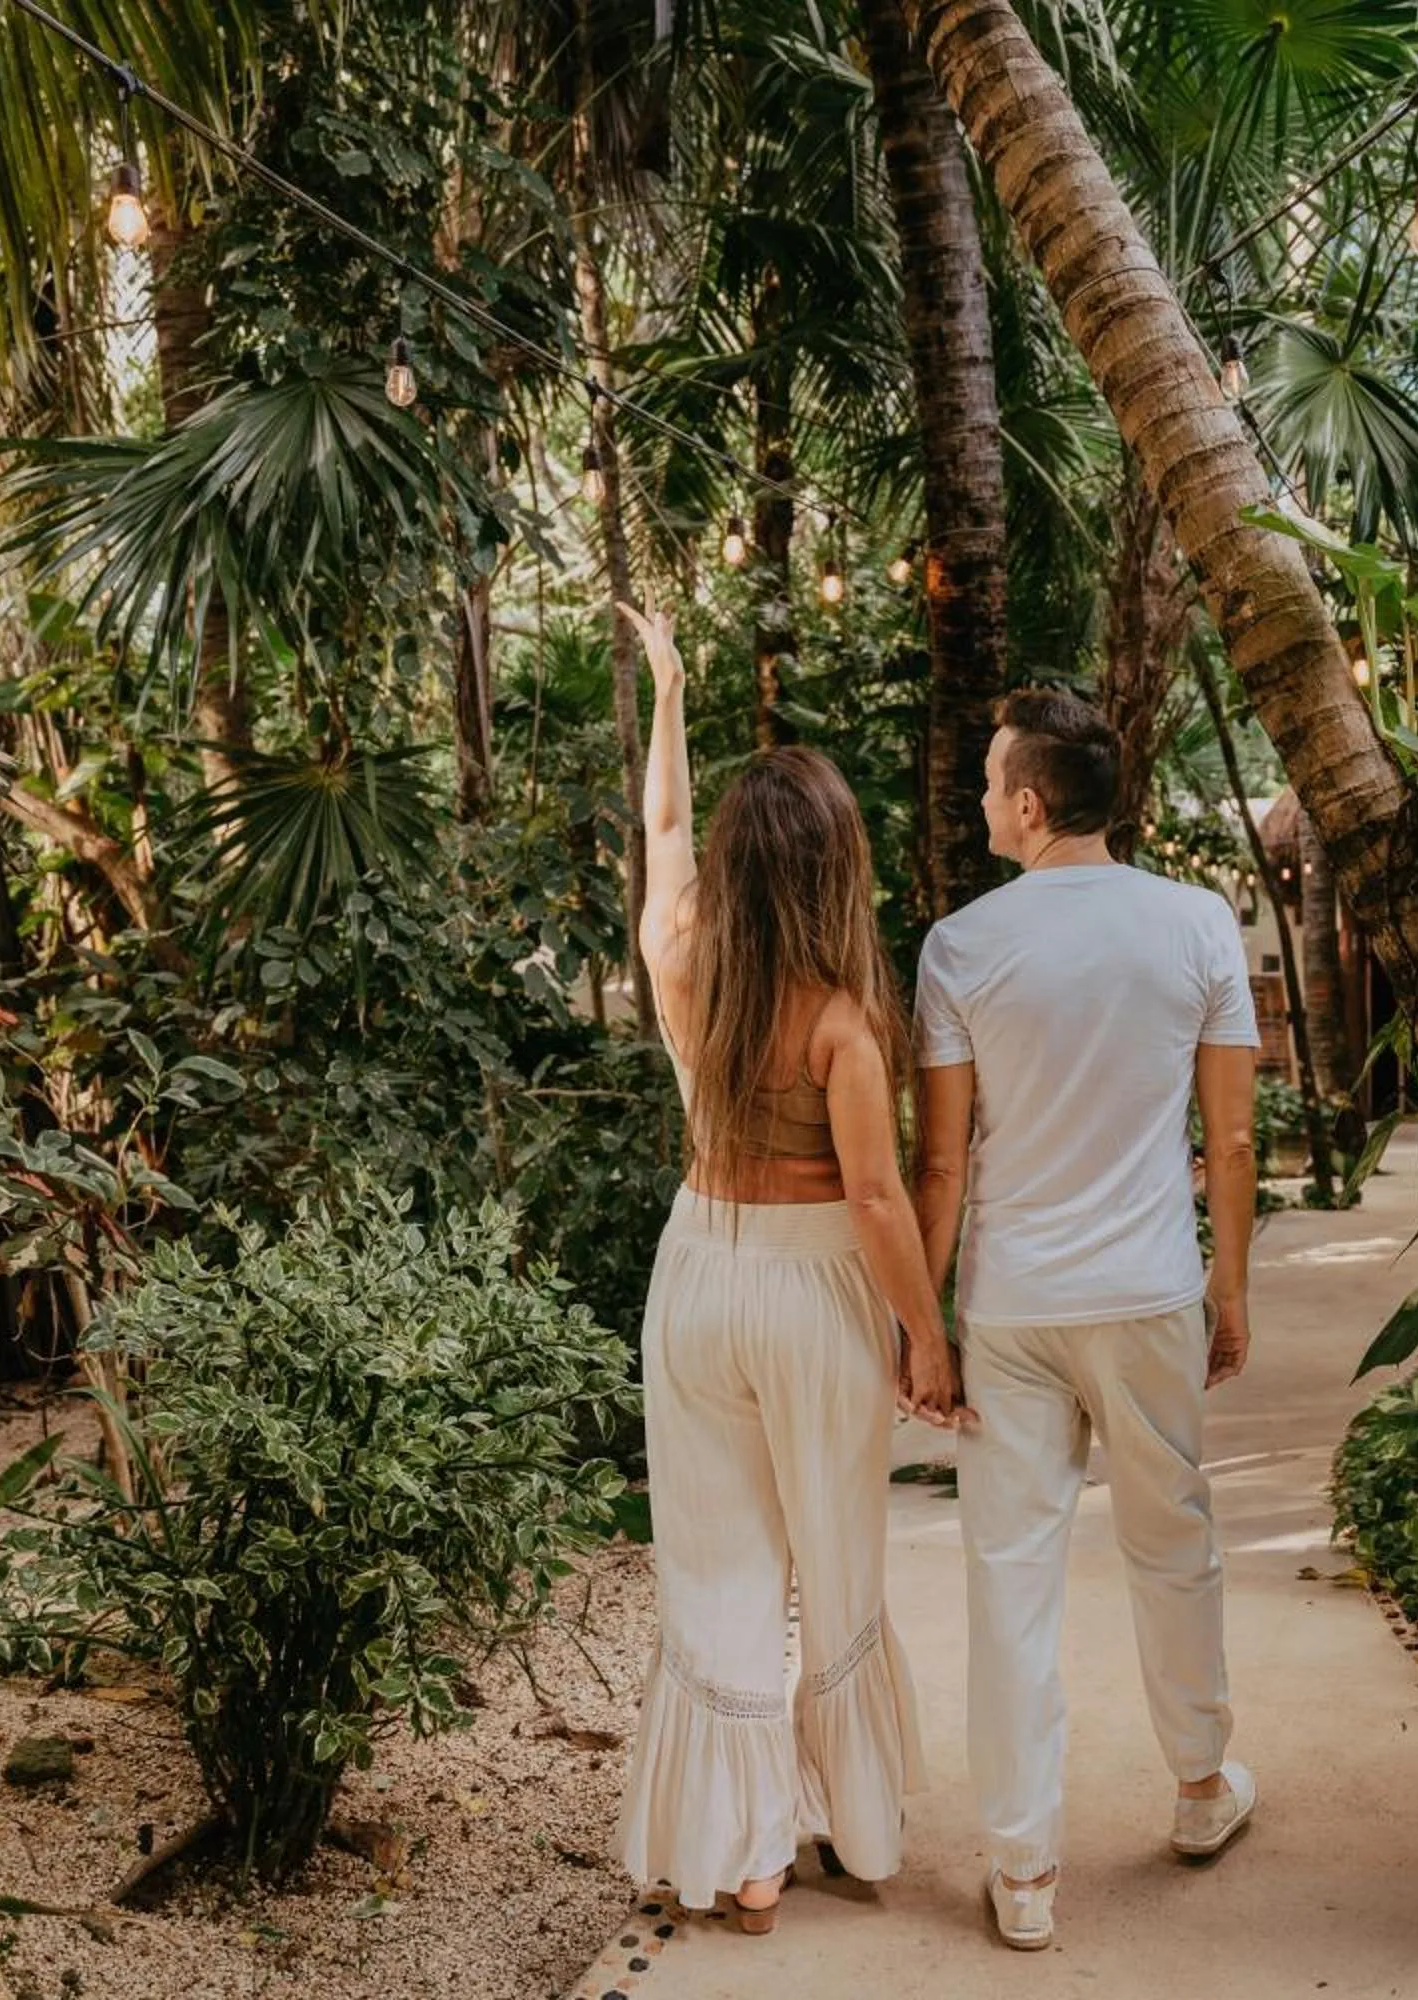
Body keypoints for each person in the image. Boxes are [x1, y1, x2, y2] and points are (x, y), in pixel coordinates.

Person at [611, 602, 964, 1935]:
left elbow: (656, 837)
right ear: (833, 865)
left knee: (717, 1568)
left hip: (699, 1273)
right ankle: (858, 1830)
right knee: (840, 1555)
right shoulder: (843, 1018)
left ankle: (746, 1860)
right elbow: (876, 1195)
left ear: (733, 864)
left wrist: (671, 692)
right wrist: (923, 1337)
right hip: (816, 1290)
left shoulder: (681, 951)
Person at [913, 688, 1263, 1951]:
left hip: (1010, 1303)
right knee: (1175, 1540)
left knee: (1010, 1576)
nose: (983, 796)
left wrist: (925, 1322)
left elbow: (943, 1166)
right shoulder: (1198, 922)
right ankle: (1200, 1787)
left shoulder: (960, 946)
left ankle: (1023, 1868)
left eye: (993, 776)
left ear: (1028, 802)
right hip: (1150, 1288)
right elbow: (1227, 1132)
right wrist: (1231, 1285)